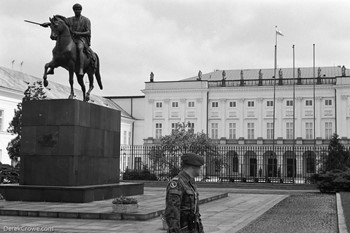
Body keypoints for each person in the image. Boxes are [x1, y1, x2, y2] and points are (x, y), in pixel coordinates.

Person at [41, 3, 91, 75]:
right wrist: (48, 24)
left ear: (81, 10)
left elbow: (88, 32)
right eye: (75, 10)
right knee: (59, 46)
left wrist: (77, 33)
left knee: (80, 48)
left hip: (81, 39)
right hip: (71, 38)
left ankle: (81, 69)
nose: (77, 11)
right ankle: (52, 67)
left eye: (78, 9)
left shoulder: (86, 20)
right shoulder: (69, 19)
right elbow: (58, 24)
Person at [165, 153, 205, 233]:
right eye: (199, 167)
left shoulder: (190, 182)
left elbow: (195, 211)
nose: (200, 169)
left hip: (193, 228)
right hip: (183, 229)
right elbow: (172, 212)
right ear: (193, 167)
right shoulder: (177, 183)